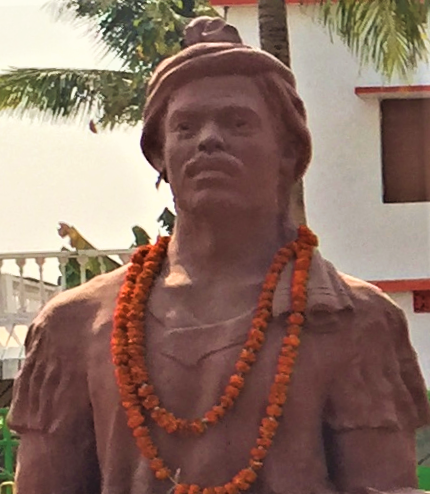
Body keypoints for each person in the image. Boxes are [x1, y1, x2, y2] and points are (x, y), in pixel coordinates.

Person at [8, 16, 430, 494]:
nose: (209, 139)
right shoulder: (75, 324)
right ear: (160, 157)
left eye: (238, 122)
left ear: (290, 152)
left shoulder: (356, 320)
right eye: (185, 127)